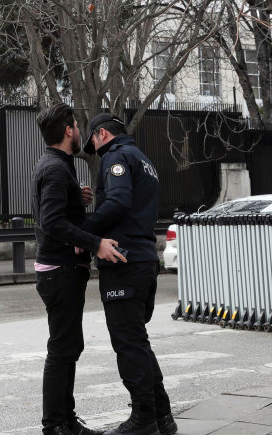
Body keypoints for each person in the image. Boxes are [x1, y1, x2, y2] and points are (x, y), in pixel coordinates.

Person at [31, 103, 126, 435]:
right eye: (76, 124)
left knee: (70, 345)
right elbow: (51, 221)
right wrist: (94, 242)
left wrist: (76, 197)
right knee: (62, 348)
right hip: (59, 269)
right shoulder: (56, 169)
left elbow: (58, 211)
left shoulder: (59, 166)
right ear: (69, 131)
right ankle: (55, 424)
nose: (79, 129)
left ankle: (65, 420)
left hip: (60, 268)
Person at [84, 113, 173, 435]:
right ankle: (161, 416)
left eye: (93, 143)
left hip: (124, 260)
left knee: (128, 344)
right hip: (144, 258)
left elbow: (119, 201)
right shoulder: (143, 159)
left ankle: (143, 419)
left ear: (102, 134)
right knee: (138, 341)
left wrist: (85, 233)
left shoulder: (117, 156)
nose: (95, 151)